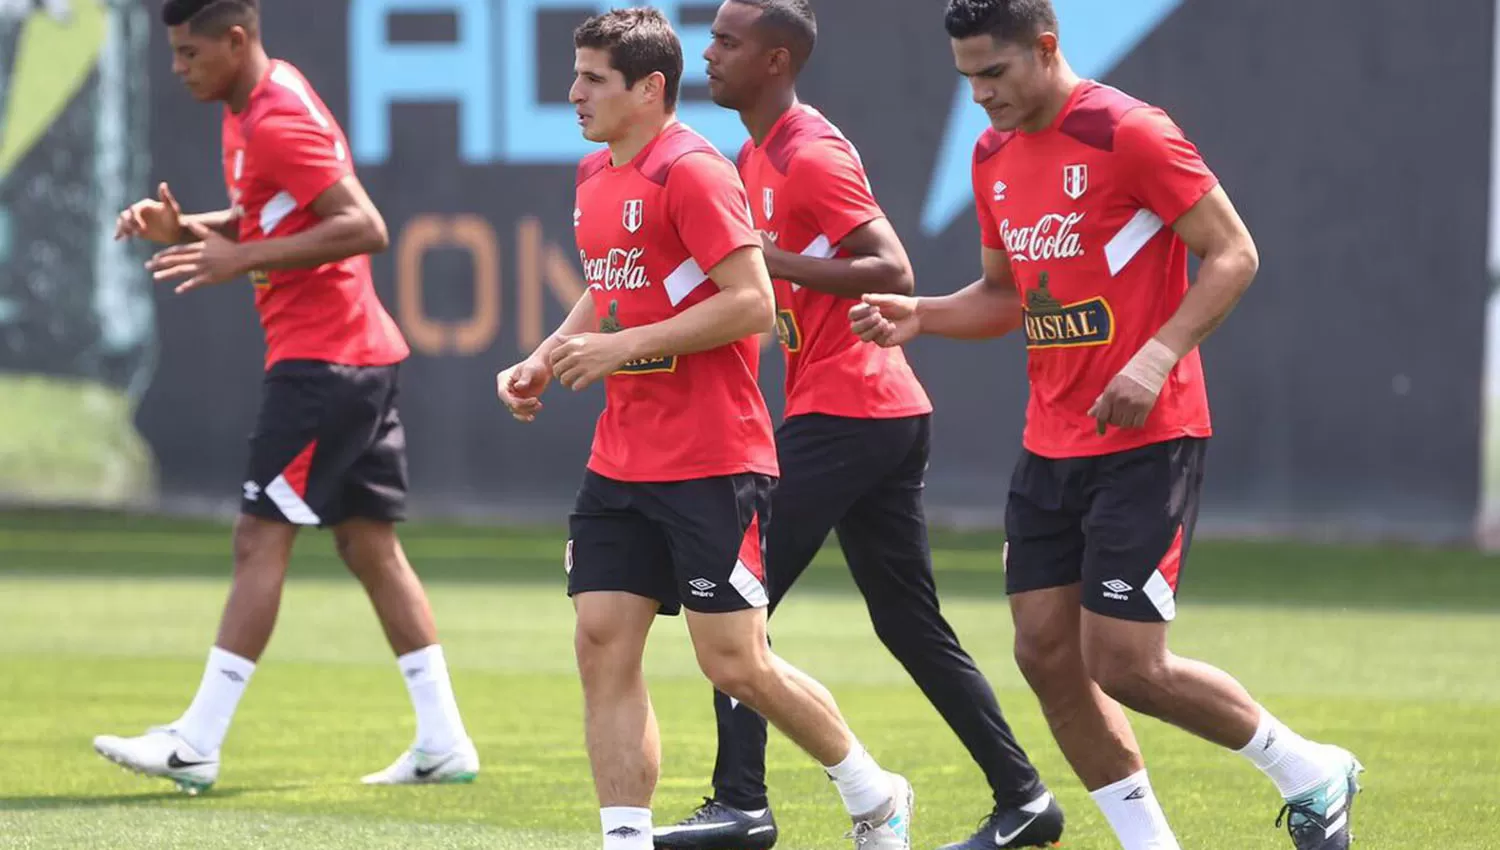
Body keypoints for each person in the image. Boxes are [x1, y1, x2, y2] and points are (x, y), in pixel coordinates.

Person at [851, 2, 1363, 849]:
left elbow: (1233, 252)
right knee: (1045, 654)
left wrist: (1158, 355)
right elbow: (1008, 295)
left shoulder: (1130, 131)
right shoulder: (992, 154)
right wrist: (924, 315)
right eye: (967, 78)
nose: (980, 95)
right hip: (1051, 442)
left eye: (995, 73)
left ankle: (1308, 769)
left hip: (1149, 439)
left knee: (1125, 664)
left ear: (1046, 48)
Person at [494, 9, 913, 850]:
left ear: (649, 89)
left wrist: (620, 347)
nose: (573, 93)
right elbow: (611, 291)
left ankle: (873, 794)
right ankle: (625, 840)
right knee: (602, 642)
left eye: (592, 80)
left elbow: (754, 303)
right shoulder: (592, 176)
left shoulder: (693, 171)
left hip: (713, 459)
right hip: (621, 460)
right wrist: (545, 356)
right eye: (574, 74)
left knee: (733, 663)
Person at [655, 3, 1062, 849]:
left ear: (775, 60)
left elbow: (891, 267)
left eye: (728, 42)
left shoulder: (812, 150)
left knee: (738, 601)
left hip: (853, 409)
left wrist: (765, 259)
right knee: (908, 624)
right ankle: (1025, 799)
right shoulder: (753, 154)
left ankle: (743, 802)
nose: (710, 52)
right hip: (864, 410)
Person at [94, 0, 478, 793]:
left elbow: (364, 226)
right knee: (368, 546)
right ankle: (444, 740)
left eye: (190, 52)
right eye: (173, 53)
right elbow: (272, 212)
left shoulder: (276, 116)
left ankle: (197, 741)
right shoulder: (250, 104)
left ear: (236, 40)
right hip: (354, 356)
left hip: (324, 363)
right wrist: (189, 228)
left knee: (257, 539)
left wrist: (240, 258)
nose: (178, 68)